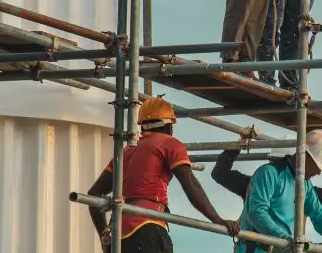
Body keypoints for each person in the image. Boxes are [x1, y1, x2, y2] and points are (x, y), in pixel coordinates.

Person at [87, 97, 240, 252]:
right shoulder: (169, 143)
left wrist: (104, 235)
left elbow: (94, 194)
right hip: (147, 226)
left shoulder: (125, 151)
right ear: (168, 125)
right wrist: (217, 219)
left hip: (119, 234)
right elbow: (190, 183)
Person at [233, 130, 322, 253]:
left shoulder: (305, 184)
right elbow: (257, 212)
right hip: (256, 249)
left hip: (282, 248)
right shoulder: (269, 173)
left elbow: (319, 214)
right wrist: (284, 238)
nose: (318, 172)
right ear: (305, 155)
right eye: (318, 166)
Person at [210, 141, 322, 207]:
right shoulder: (255, 184)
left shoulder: (304, 193)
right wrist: (238, 144)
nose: (277, 169)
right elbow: (220, 174)